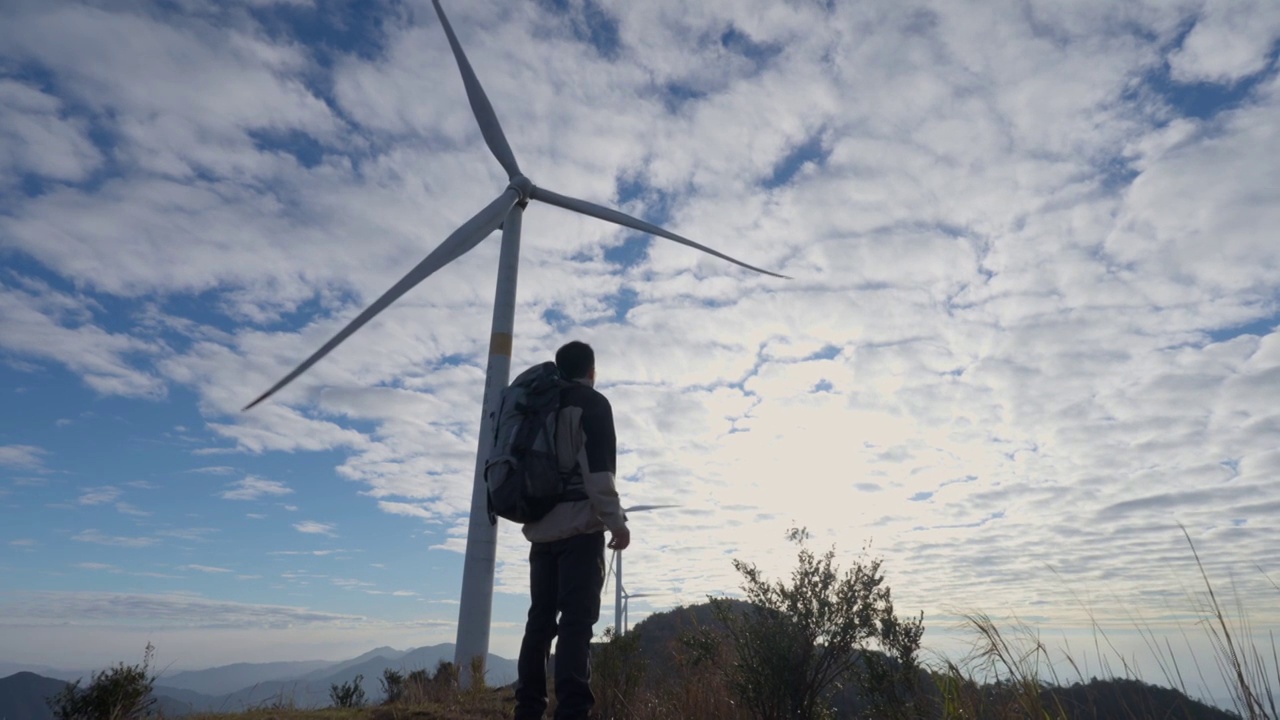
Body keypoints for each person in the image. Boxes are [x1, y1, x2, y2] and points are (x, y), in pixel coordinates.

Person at [513, 340, 630, 720]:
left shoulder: (538, 404)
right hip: (579, 531)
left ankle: (528, 709)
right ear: (592, 370)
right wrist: (617, 523)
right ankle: (573, 711)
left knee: (539, 623)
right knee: (576, 624)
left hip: (540, 531)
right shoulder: (592, 404)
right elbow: (598, 474)